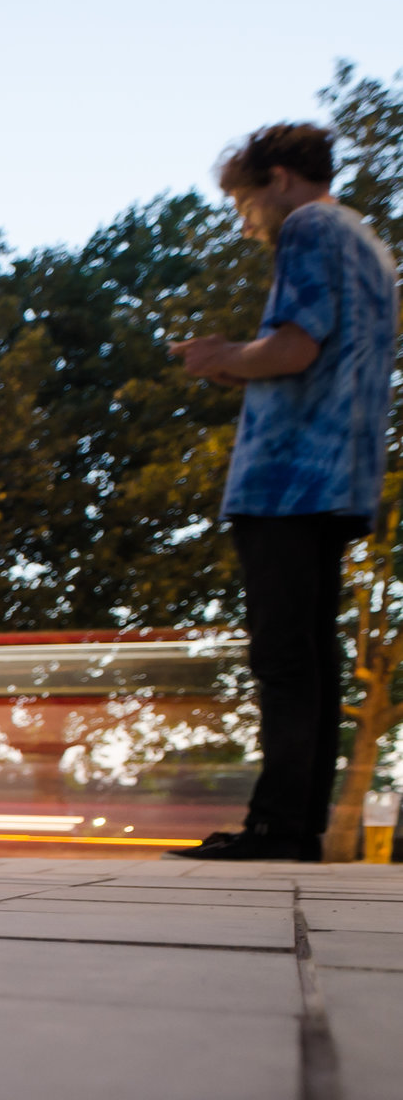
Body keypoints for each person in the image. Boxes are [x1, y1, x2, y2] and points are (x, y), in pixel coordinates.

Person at [172, 121, 398, 862]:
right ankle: (295, 826)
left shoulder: (306, 226)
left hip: (287, 476)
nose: (247, 226)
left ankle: (275, 827)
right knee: (313, 655)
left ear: (276, 178)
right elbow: (323, 354)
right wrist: (242, 363)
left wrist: (221, 356)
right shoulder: (365, 242)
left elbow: (296, 344)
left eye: (244, 206)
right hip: (341, 473)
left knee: (282, 656)